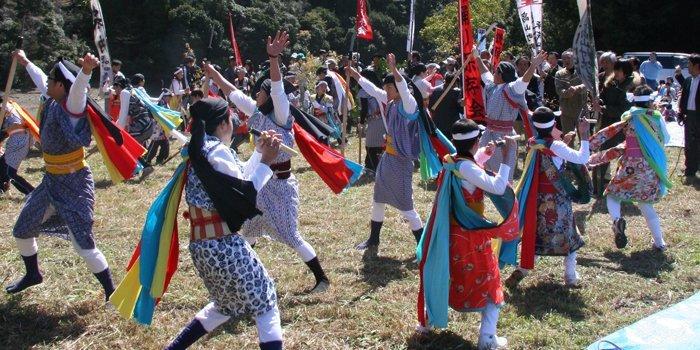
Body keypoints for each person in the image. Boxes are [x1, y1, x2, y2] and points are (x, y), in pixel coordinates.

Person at [206, 31, 330, 293]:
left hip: (282, 188)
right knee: (249, 230)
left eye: (260, 92)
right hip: (260, 184)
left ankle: (321, 279)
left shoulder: (281, 115)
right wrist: (214, 75)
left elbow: (277, 87)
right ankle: (243, 280)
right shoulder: (257, 113)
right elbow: (233, 93)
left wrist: (273, 58)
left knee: (290, 235)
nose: (256, 95)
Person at [164, 97, 284, 350]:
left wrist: (260, 153)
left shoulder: (202, 149)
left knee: (224, 305)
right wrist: (267, 161)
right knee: (266, 302)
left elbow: (237, 181)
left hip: (203, 247)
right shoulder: (216, 150)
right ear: (223, 124)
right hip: (223, 245)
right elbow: (243, 195)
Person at [5, 50, 116, 301]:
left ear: (61, 85)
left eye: (51, 81)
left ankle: (111, 291)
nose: (46, 84)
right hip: (51, 180)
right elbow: (40, 77)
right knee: (22, 229)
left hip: (75, 182)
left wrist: (86, 72)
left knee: (83, 243)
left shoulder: (72, 106)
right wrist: (25, 61)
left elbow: (78, 90)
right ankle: (33, 274)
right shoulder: (53, 99)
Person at [416, 119, 519, 350]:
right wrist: (508, 156)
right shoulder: (466, 167)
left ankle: (428, 321)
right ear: (475, 142)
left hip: (451, 233)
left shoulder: (451, 160)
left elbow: (469, 169)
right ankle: (487, 340)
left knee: (445, 274)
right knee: (491, 285)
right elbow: (497, 187)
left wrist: (484, 154)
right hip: (471, 237)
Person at [345, 53, 425, 252]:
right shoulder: (390, 102)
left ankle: (423, 244)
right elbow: (372, 90)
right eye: (386, 87)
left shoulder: (409, 105)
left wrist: (394, 70)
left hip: (402, 161)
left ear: (398, 88)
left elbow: (405, 91)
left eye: (390, 87)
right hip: (388, 158)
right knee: (378, 198)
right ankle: (373, 239)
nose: (386, 91)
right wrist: (356, 75)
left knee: (407, 207)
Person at [505, 107, 590, 289]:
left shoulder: (532, 142)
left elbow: (550, 153)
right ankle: (570, 277)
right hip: (558, 199)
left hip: (538, 199)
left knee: (537, 237)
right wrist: (584, 135)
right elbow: (582, 157)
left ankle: (523, 269)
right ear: (553, 125)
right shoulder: (556, 146)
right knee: (569, 237)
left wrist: (564, 144)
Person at [589, 86, 671, 251]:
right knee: (646, 204)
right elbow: (667, 139)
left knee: (612, 195)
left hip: (630, 166)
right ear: (650, 102)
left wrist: (588, 147)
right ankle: (659, 242)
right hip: (649, 167)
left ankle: (617, 221)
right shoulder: (657, 118)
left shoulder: (629, 118)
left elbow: (608, 132)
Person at [473, 47, 547, 180]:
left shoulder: (512, 89)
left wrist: (533, 66)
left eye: (495, 72)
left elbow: (524, 81)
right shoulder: (492, 86)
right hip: (488, 133)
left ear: (501, 75)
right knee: (481, 164)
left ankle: (504, 193)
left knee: (502, 171)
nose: (493, 73)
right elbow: (485, 73)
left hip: (504, 136)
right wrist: (477, 56)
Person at [591, 59, 639, 196]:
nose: (616, 73)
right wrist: (599, 101)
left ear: (626, 72)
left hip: (625, 127)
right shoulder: (610, 83)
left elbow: (624, 110)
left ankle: (624, 187)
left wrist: (603, 108)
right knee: (603, 156)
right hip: (608, 125)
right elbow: (604, 97)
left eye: (619, 70)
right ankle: (598, 189)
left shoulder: (632, 86)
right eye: (615, 70)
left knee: (627, 160)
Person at [113, 76, 156, 178]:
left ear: (119, 86)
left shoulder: (124, 93)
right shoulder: (132, 90)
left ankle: (143, 167)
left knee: (125, 145)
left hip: (141, 126)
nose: (115, 91)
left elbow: (123, 116)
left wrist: (115, 130)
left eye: (115, 88)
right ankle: (137, 169)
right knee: (133, 147)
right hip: (148, 124)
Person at [0, 94, 35, 195]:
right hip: (22, 138)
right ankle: (3, 187)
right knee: (3, 167)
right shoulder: (8, 104)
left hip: (19, 141)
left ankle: (32, 193)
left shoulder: (3, 108)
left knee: (9, 172)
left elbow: (10, 129)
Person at [675, 54, 700, 181]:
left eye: (689, 64)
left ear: (697, 66)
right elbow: (684, 97)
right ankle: (690, 169)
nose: (688, 67)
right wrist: (681, 112)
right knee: (689, 143)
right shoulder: (689, 80)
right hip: (689, 116)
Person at [357, 69, 387, 173]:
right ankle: (378, 164)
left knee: (371, 143)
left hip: (374, 119)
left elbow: (364, 109)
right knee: (381, 143)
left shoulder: (364, 91)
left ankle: (372, 165)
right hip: (384, 119)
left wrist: (361, 122)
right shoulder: (380, 88)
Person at [555, 50, 587, 134]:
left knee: (584, 136)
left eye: (568, 58)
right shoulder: (559, 74)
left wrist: (577, 88)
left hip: (581, 109)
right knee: (568, 136)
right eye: (564, 59)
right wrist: (567, 93)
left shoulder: (582, 71)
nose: (566, 60)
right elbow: (559, 90)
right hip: (566, 110)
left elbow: (587, 85)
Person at [429, 73, 462, 138]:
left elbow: (430, 107)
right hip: (451, 125)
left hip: (438, 124)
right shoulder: (456, 93)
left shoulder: (436, 91)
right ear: (454, 83)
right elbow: (461, 110)